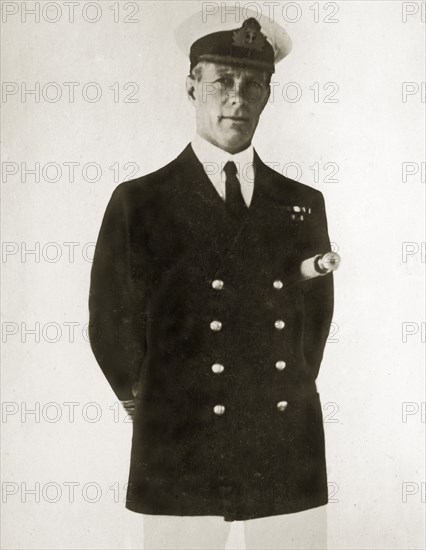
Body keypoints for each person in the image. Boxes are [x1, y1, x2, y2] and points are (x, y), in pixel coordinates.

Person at [88, 6, 334, 549]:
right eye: (223, 81)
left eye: (254, 84)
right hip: (181, 438)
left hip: (281, 437)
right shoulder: (140, 202)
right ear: (191, 86)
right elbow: (111, 324)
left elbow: (311, 331)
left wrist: (274, 389)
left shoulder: (302, 205)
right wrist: (158, 404)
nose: (238, 98)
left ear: (268, 96)